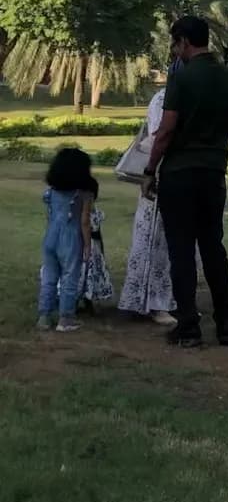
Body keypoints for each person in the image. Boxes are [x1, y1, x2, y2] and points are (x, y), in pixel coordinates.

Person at [144, 15, 228, 348]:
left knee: (182, 252)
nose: (174, 51)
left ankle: (188, 326)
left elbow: (166, 131)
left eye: (175, 44)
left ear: (184, 42)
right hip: (213, 173)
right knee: (213, 249)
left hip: (179, 174)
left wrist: (149, 171)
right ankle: (226, 324)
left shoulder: (181, 79)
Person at [118, 86, 178, 325]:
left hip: (175, 175)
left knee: (172, 242)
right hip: (160, 176)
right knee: (155, 239)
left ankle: (165, 300)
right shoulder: (164, 98)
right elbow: (158, 136)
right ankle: (152, 302)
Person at [37, 148, 93, 333]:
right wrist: (87, 245)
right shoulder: (84, 194)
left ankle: (44, 317)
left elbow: (49, 216)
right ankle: (66, 318)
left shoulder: (51, 192)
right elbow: (85, 222)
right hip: (71, 238)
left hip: (51, 236)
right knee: (70, 277)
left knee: (49, 277)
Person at [79, 177, 114, 313]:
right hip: (87, 249)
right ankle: (80, 302)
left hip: (92, 251)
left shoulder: (94, 213)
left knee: (88, 276)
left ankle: (87, 302)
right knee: (84, 276)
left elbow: (98, 234)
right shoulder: (86, 213)